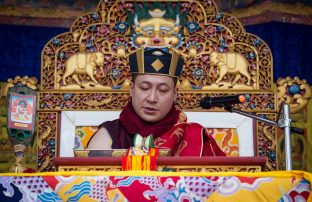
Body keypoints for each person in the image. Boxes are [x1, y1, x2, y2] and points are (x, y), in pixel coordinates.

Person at [87, 48, 225, 156]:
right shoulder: (109, 135)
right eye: (144, 88)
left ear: (175, 94)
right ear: (132, 89)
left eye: (163, 90)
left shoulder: (194, 137)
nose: (152, 98)